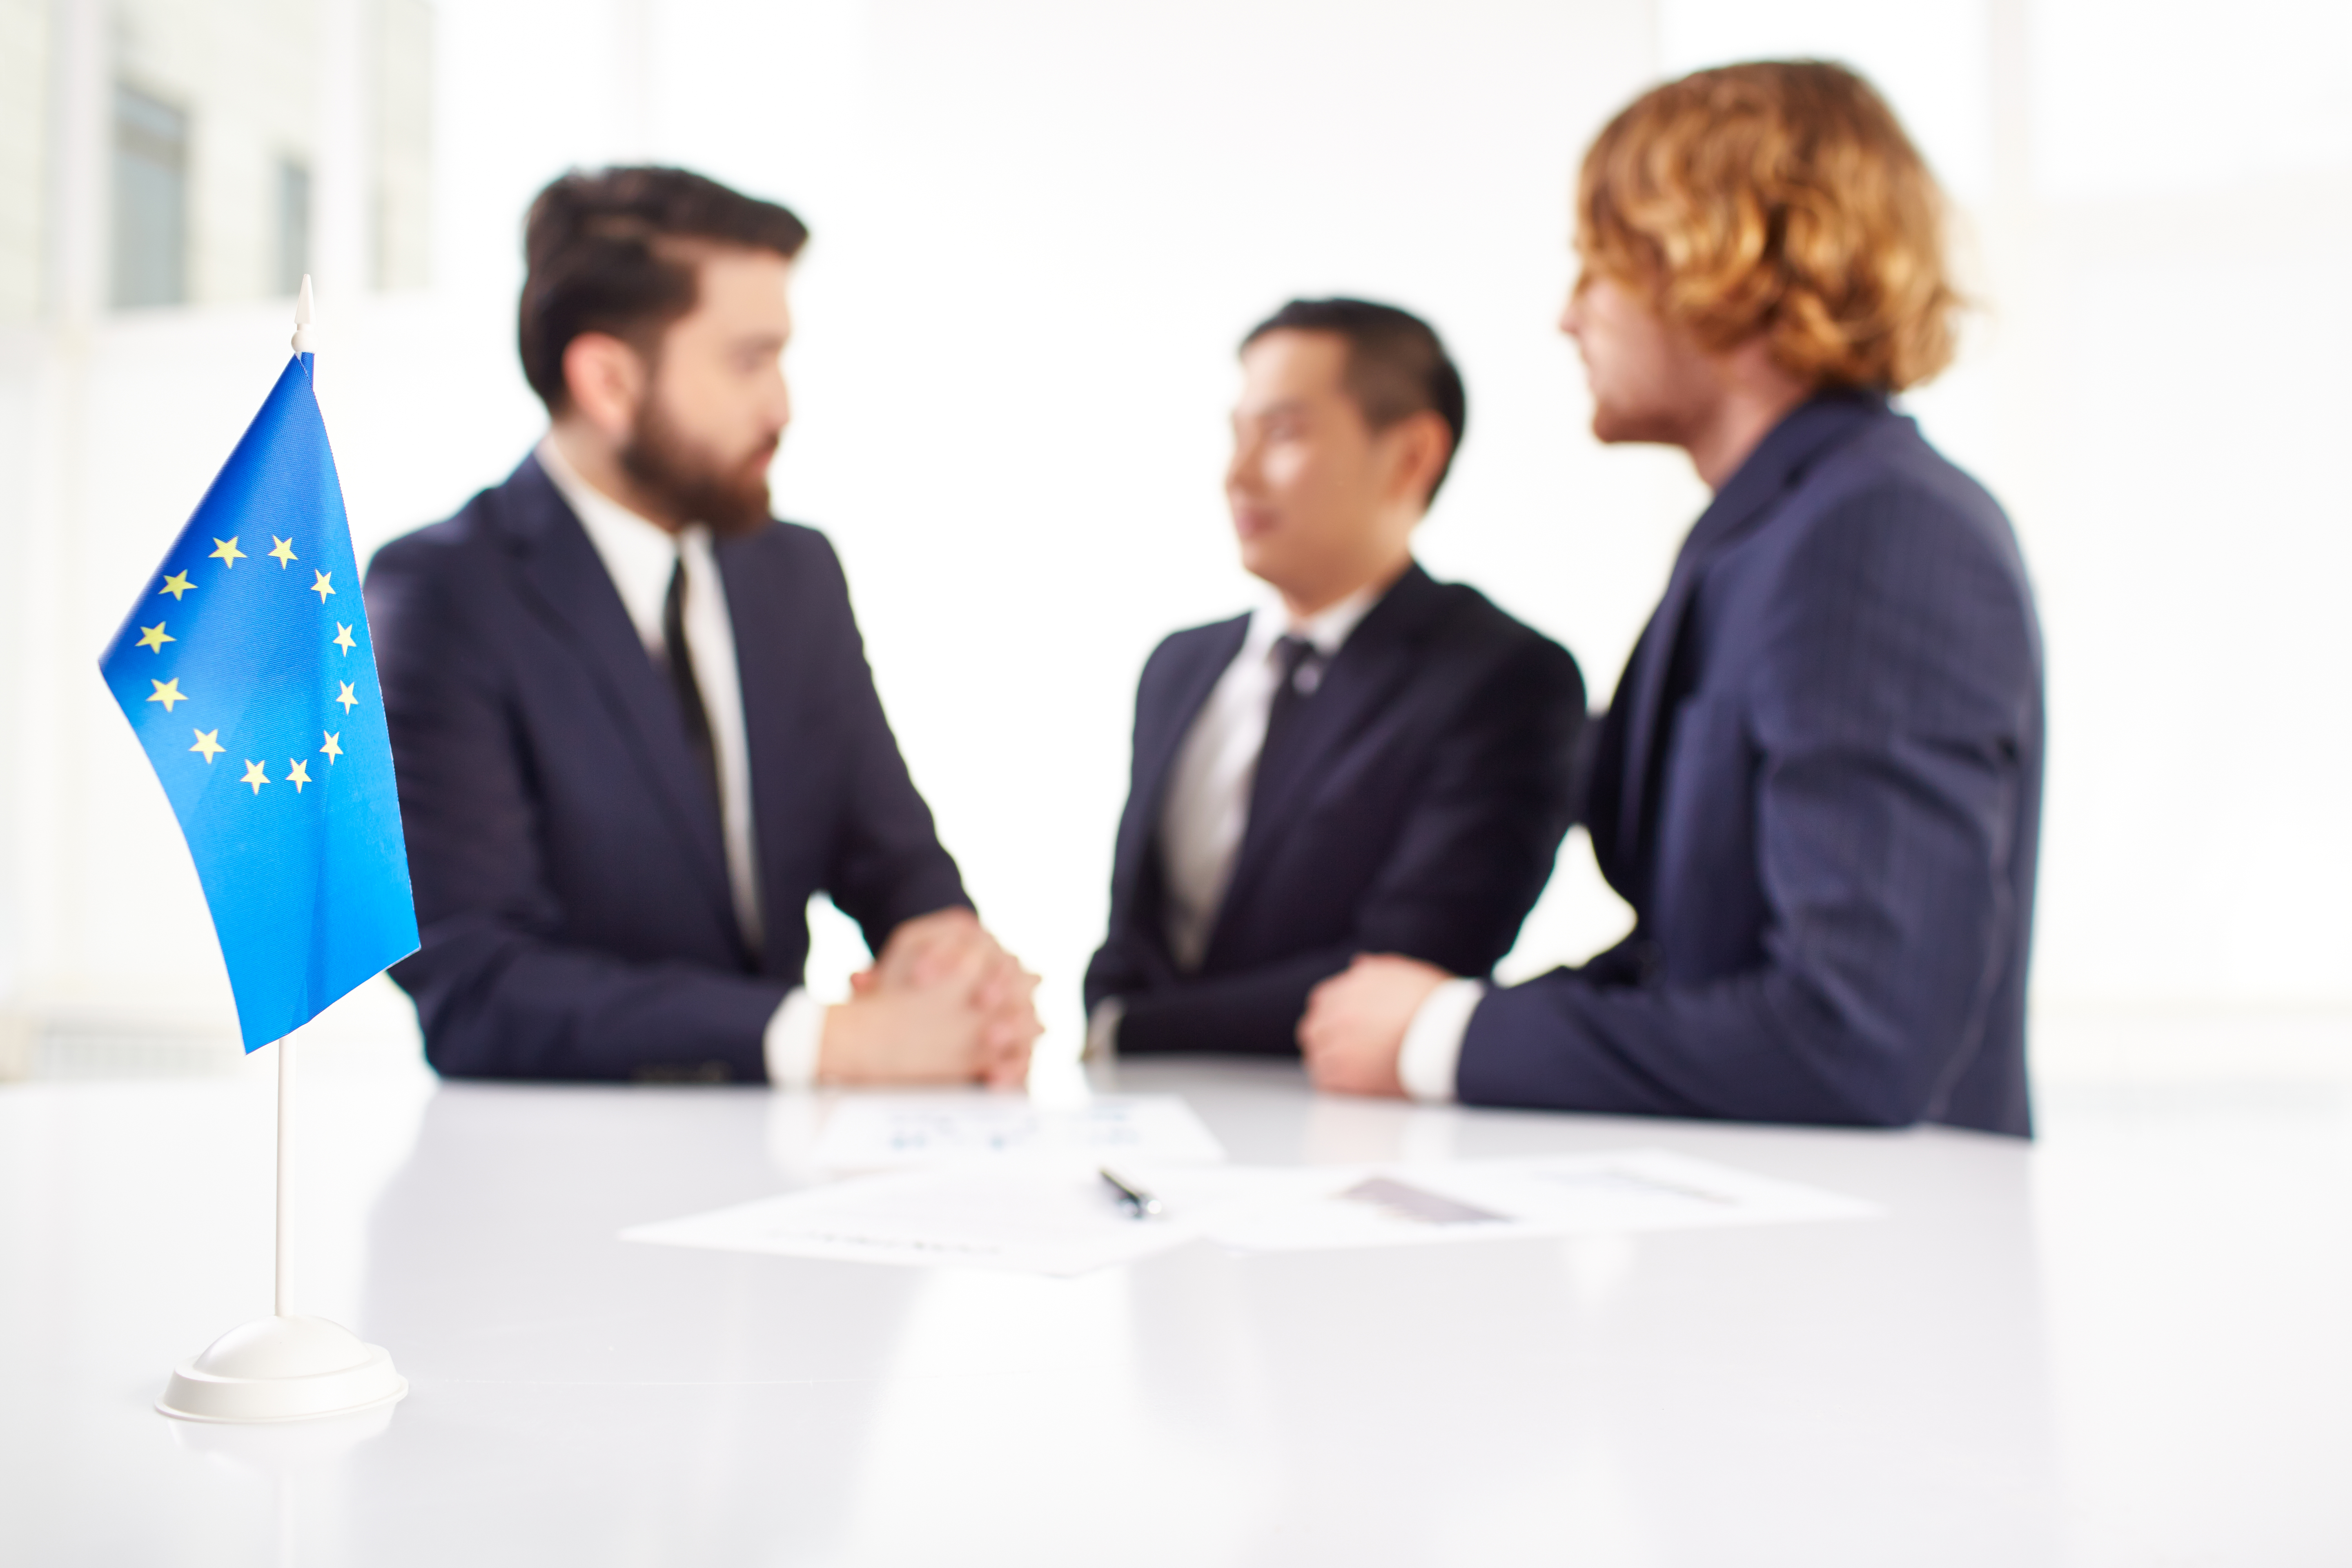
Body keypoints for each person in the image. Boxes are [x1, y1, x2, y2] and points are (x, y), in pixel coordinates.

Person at [1299, 62, 2046, 1135]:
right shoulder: (1760, 536)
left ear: (1724, 260)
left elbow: (1853, 1036)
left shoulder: (1877, 532)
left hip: (1881, 1237)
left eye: (1597, 266)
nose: (1568, 317)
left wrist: (1446, 1039)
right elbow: (1700, 959)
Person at [366, 167, 1039, 1084]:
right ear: (609, 381)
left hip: (777, 1156)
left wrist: (947, 956)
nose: (783, 406)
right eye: (748, 361)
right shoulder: (443, 595)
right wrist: (831, 1041)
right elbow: (476, 990)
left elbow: (890, 854)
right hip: (559, 1160)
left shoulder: (795, 573)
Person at [1084, 299, 1585, 1059]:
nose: (1238, 475)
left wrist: (1126, 1032)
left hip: (1341, 1110)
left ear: (1412, 455)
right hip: (1139, 1107)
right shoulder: (1179, 668)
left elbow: (1404, 972)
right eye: (1237, 435)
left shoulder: (1505, 679)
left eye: (1283, 434)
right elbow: (1131, 937)